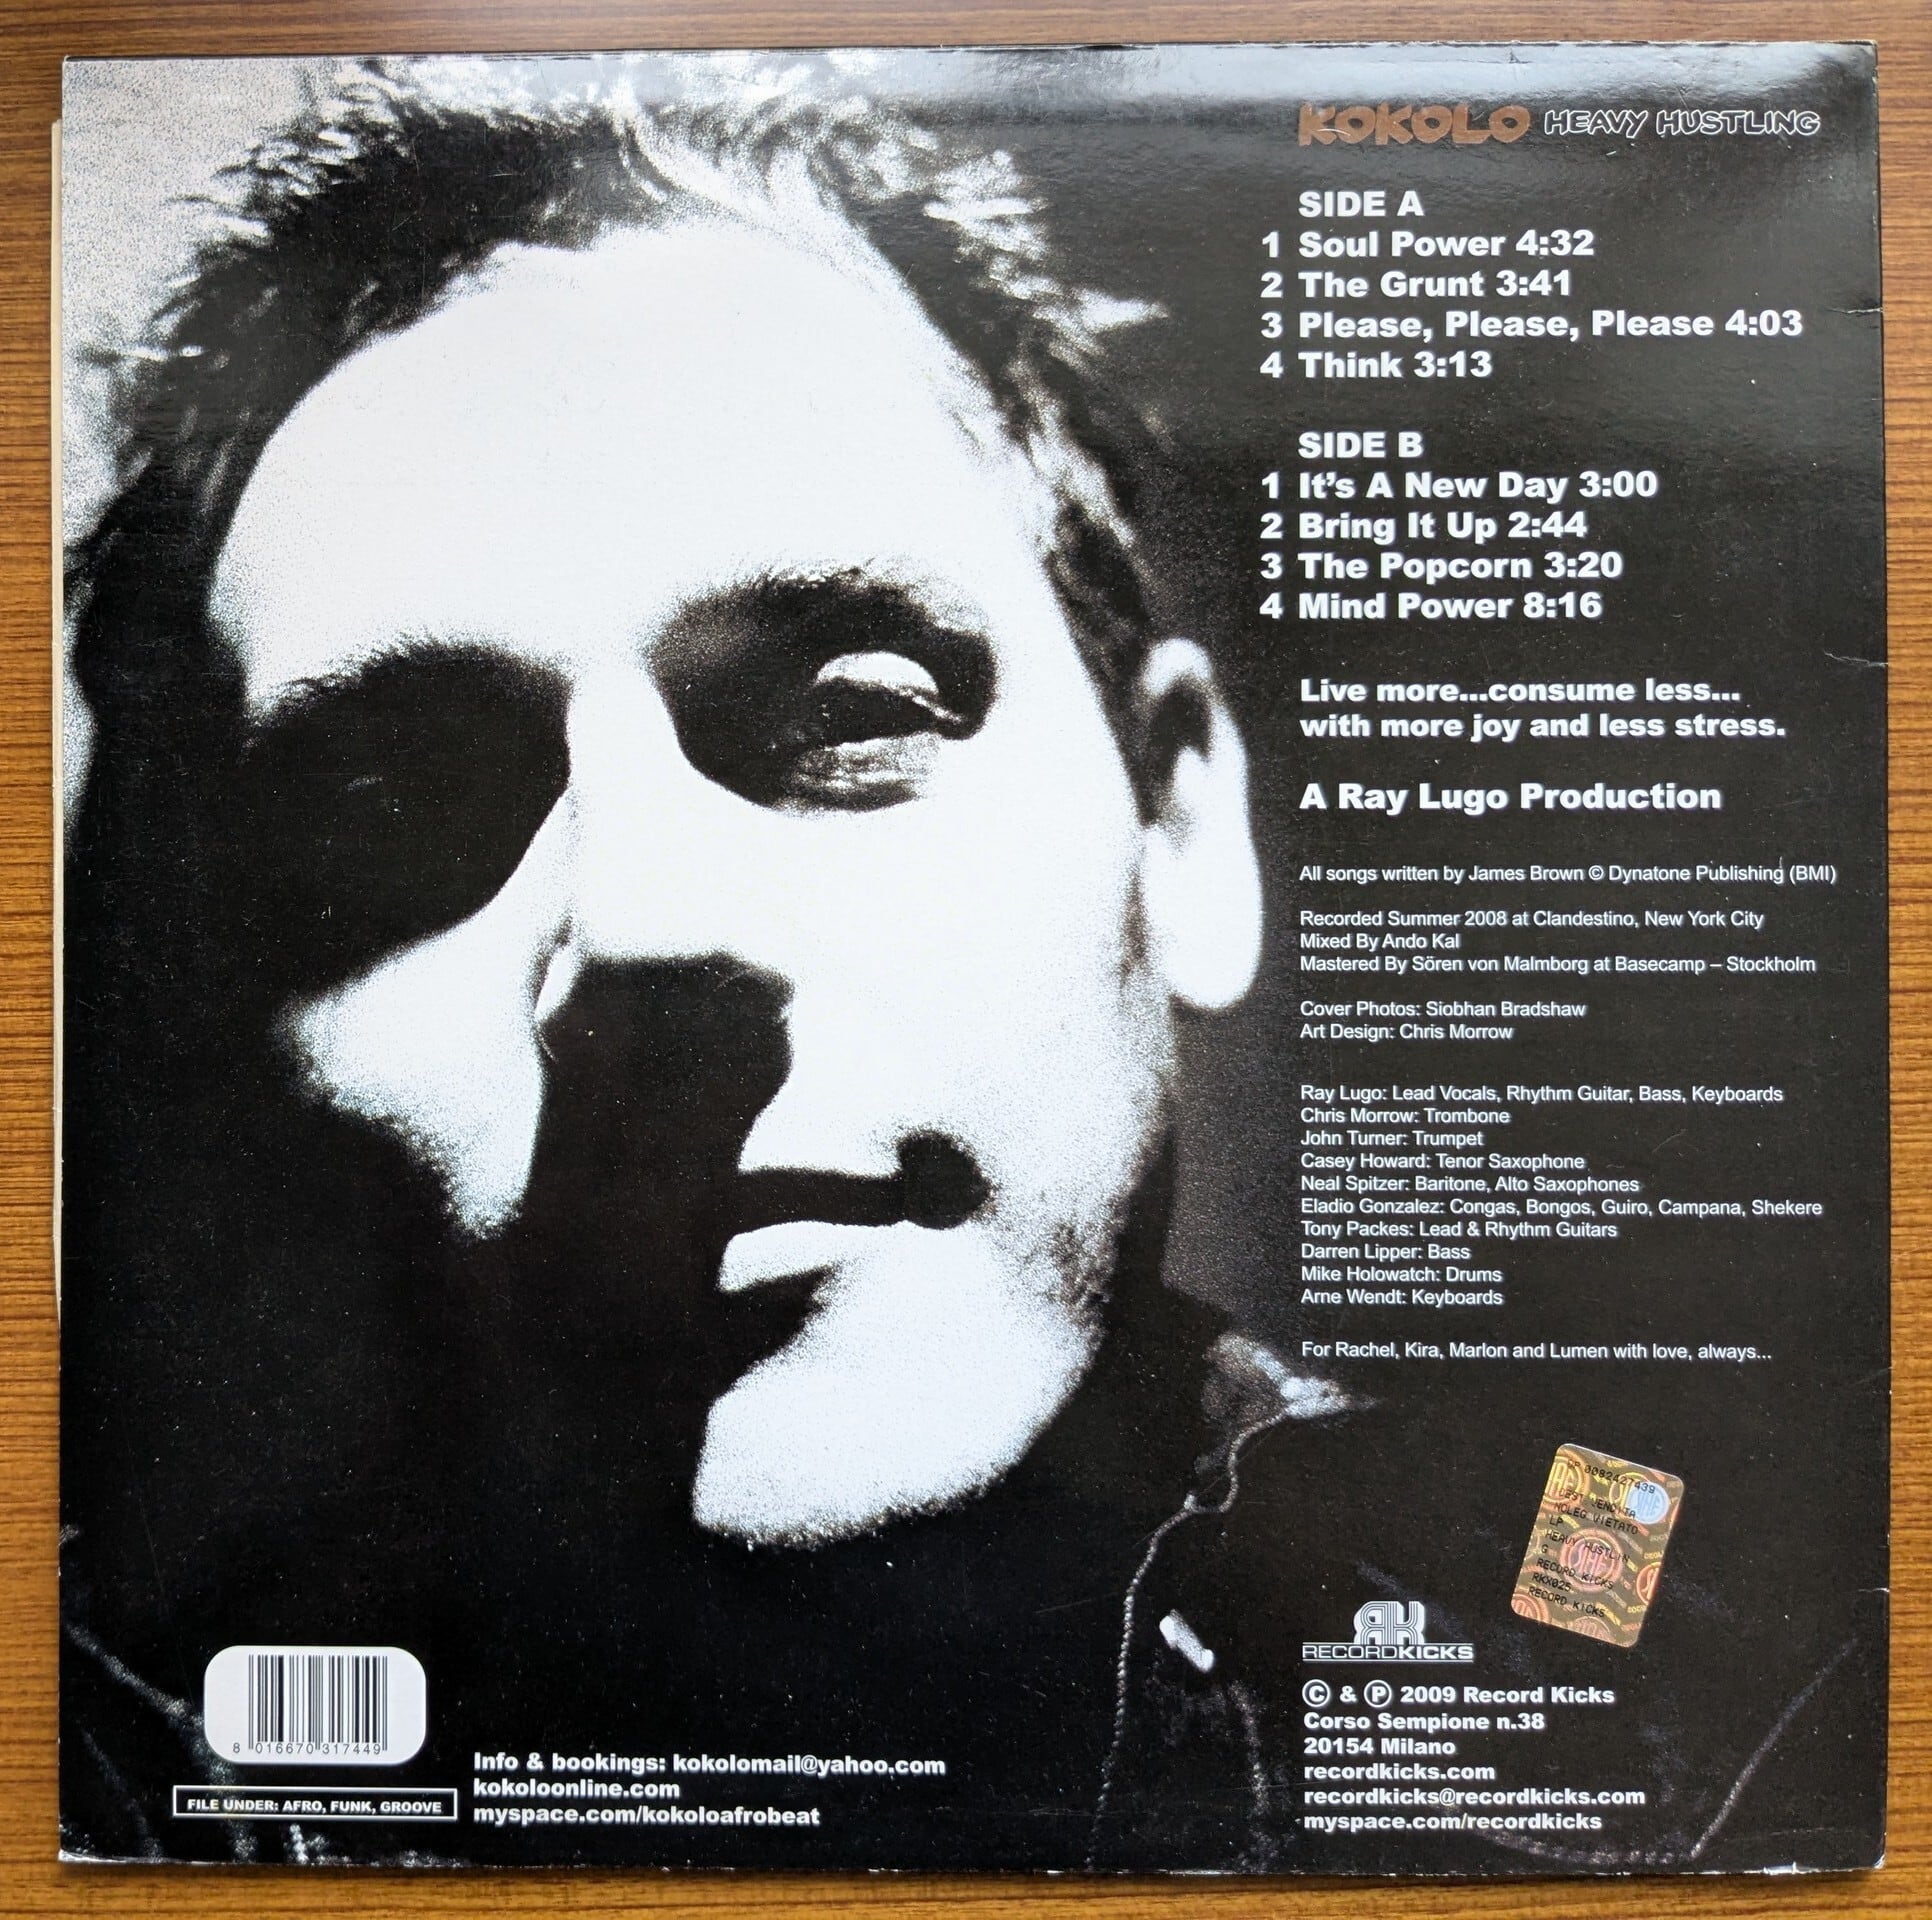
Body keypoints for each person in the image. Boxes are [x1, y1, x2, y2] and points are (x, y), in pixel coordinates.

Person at [61, 60, 1882, 1874]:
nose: (646, 926)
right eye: (400, 808)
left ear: (1182, 831)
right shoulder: (86, 1772)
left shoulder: (1747, 1675)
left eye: (850, 717)